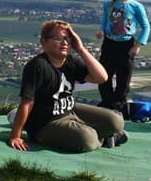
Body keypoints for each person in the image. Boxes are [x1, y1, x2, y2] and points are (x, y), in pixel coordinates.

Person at [8, 21, 125, 153]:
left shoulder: (71, 61)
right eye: (57, 38)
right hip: (45, 122)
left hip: (69, 110)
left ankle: (100, 135)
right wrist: (15, 136)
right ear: (43, 41)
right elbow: (27, 102)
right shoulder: (37, 66)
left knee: (115, 121)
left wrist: (81, 49)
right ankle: (104, 137)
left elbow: (101, 78)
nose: (64, 42)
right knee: (87, 139)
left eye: (68, 39)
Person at [95, 0, 150, 111]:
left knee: (123, 78)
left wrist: (137, 46)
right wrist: (101, 30)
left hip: (126, 45)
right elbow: (104, 21)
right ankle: (107, 102)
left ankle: (118, 104)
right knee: (104, 75)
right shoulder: (108, 5)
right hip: (109, 44)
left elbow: (146, 27)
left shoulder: (136, 6)